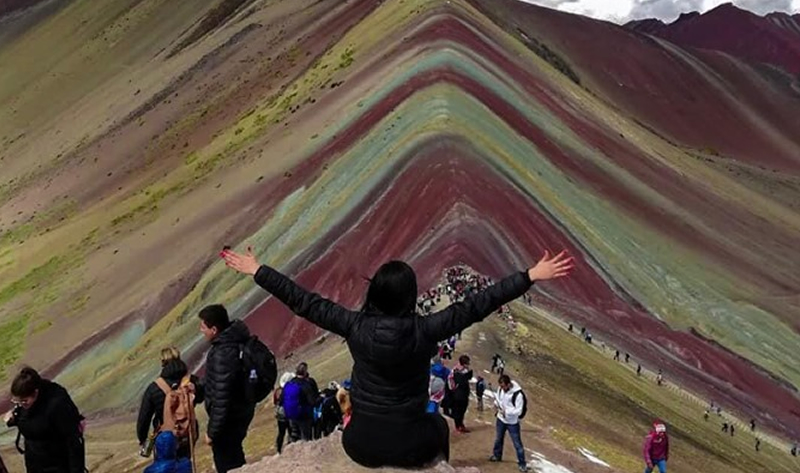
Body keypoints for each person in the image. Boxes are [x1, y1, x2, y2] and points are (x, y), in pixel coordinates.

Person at [221, 247, 573, 468]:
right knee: (439, 424)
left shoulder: (354, 326)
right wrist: (530, 276)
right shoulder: (426, 329)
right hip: (411, 446)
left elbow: (303, 301)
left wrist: (258, 270)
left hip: (359, 444)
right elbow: (476, 305)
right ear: (410, 297)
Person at [199, 304, 256, 473]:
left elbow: (221, 399)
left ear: (214, 329)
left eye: (203, 326)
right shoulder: (233, 343)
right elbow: (219, 380)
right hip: (240, 413)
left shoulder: (222, 353)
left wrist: (212, 433)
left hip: (228, 423)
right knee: (236, 458)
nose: (201, 330)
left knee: (228, 464)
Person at [3, 367, 86, 473]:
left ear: (35, 393)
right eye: (17, 401)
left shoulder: (57, 404)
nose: (21, 405)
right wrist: (15, 419)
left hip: (58, 463)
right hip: (35, 462)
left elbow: (73, 441)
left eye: (24, 401)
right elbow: (28, 420)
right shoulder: (25, 402)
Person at [137, 348, 204, 459]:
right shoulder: (191, 381)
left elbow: (144, 417)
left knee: (166, 466)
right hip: (187, 434)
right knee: (185, 464)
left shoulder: (154, 388)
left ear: (163, 362)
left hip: (165, 436)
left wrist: (142, 439)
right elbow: (201, 398)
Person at [488, 375, 529, 472]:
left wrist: (507, 412)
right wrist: (496, 404)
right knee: (498, 439)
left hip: (512, 422)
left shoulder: (518, 395)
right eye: (501, 387)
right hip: (500, 419)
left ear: (509, 384)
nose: (502, 389)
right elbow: (499, 399)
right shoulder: (500, 389)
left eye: (503, 387)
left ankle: (522, 463)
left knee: (517, 444)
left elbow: (519, 411)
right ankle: (497, 455)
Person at [284, 362, 318, 442]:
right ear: (305, 372)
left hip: (291, 415)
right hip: (304, 415)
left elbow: (283, 399)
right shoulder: (305, 385)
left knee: (294, 435)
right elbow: (312, 402)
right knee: (306, 438)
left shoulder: (289, 383)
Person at [448, 355, 473, 433]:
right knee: (458, 410)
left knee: (462, 410)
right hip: (459, 394)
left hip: (463, 393)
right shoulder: (457, 371)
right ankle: (458, 426)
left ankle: (461, 424)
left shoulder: (463, 370)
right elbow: (453, 381)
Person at [274, 372, 294, 454]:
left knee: (281, 432)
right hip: (288, 413)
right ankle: (291, 447)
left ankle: (278, 449)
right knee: (291, 431)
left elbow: (275, 402)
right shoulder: (288, 390)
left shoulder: (277, 391)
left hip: (280, 414)